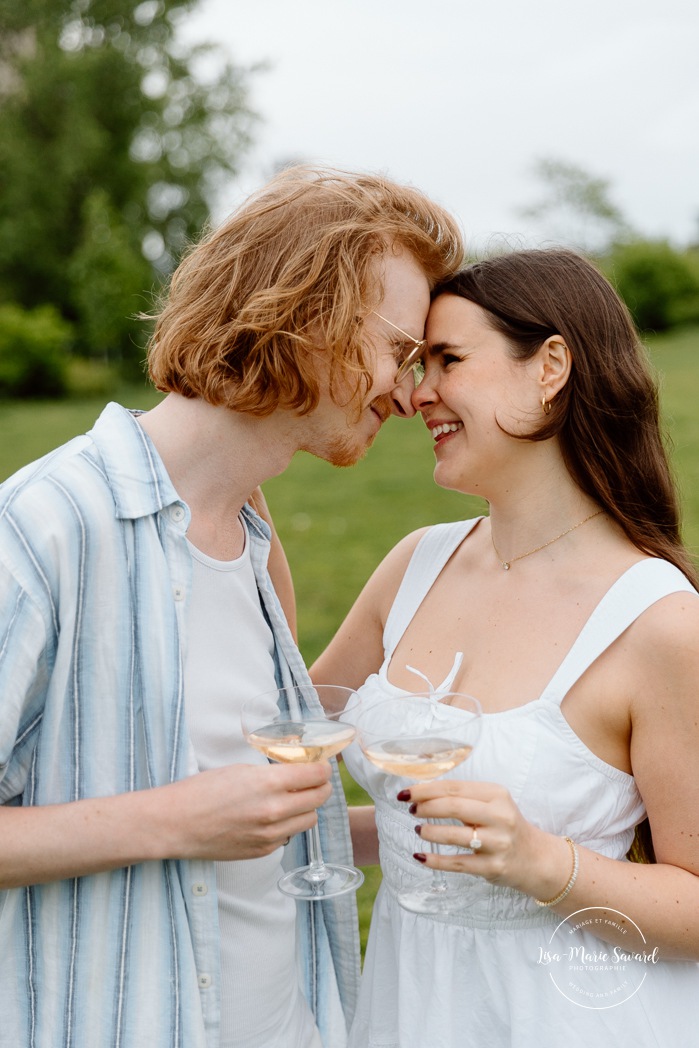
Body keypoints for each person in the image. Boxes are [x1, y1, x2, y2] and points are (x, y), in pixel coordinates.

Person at [0, 166, 464, 1048]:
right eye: (398, 349)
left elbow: (253, 819)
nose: (410, 393)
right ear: (303, 313)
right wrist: (171, 821)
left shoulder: (256, 540)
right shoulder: (47, 527)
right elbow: (196, 813)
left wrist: (398, 827)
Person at [312, 248, 699, 1047]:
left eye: (448, 359)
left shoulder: (658, 624)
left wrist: (538, 861)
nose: (417, 393)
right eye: (419, 364)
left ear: (549, 365)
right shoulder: (412, 566)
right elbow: (288, 741)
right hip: (404, 1005)